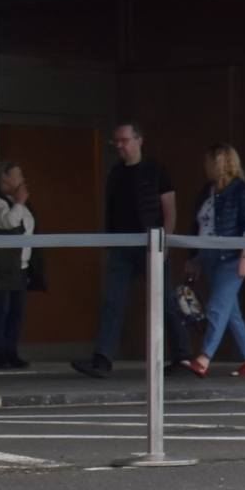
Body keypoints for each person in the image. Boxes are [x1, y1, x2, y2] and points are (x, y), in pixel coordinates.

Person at [74, 123, 178, 379]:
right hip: (122, 247)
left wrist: (164, 243)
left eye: (124, 140)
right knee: (113, 301)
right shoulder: (116, 173)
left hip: (151, 245)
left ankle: (183, 357)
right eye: (116, 142)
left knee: (165, 302)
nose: (119, 145)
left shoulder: (156, 170)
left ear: (139, 140)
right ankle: (101, 359)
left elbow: (169, 210)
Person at [183, 144, 245, 377]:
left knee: (217, 307)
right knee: (230, 310)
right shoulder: (207, 190)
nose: (205, 165)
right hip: (210, 256)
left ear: (219, 163)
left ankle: (204, 359)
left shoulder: (241, 191)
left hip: (231, 257)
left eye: (209, 160)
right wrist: (194, 256)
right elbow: (198, 226)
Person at [0, 160, 32, 372]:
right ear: (5, 178)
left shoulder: (21, 202)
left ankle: (11, 351)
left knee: (16, 312)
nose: (23, 180)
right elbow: (7, 221)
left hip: (20, 266)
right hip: (1, 268)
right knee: (1, 311)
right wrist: (19, 203)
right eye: (18, 175)